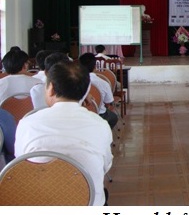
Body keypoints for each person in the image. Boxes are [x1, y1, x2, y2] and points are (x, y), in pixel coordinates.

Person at [15, 60, 113, 206]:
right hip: (88, 201)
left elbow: (20, 163)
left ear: (51, 89)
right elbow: (105, 165)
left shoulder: (27, 123)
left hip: (40, 203)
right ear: (86, 90)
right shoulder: (100, 124)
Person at [78, 53, 118, 130]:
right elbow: (108, 103)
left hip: (80, 115)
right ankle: (105, 134)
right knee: (114, 118)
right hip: (100, 114)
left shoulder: (74, 82)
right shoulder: (103, 83)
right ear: (95, 66)